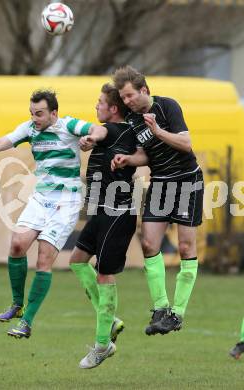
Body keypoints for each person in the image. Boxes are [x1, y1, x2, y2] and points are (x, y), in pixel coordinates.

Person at [0, 89, 105, 339]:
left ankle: (27, 322)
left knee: (43, 259)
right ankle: (17, 305)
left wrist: (90, 139)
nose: (35, 118)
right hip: (41, 198)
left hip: (66, 202)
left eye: (39, 114)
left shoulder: (68, 125)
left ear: (54, 113)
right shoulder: (29, 129)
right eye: (32, 113)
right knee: (17, 245)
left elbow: (99, 129)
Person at [111, 65, 204, 336]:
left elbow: (186, 144)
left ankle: (178, 314)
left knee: (186, 248)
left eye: (129, 96)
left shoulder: (167, 107)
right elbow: (145, 154)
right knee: (149, 242)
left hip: (187, 180)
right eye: (123, 98)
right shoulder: (132, 118)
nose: (126, 102)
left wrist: (158, 130)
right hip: (161, 182)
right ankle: (161, 308)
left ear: (144, 90)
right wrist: (129, 159)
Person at [69, 83, 146, 369]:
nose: (96, 107)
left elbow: (101, 132)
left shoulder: (114, 130)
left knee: (104, 275)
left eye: (100, 103)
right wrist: (92, 139)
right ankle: (110, 318)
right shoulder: (117, 133)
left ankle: (102, 345)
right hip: (101, 210)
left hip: (118, 212)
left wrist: (90, 138)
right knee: (77, 261)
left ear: (113, 109)